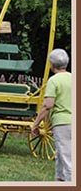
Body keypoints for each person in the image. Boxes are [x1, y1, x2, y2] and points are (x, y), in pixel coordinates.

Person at [31, 49, 71, 181]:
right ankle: (59, 181)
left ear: (51, 65)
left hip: (62, 123)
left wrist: (35, 124)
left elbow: (47, 105)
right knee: (61, 155)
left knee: (67, 160)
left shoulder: (54, 81)